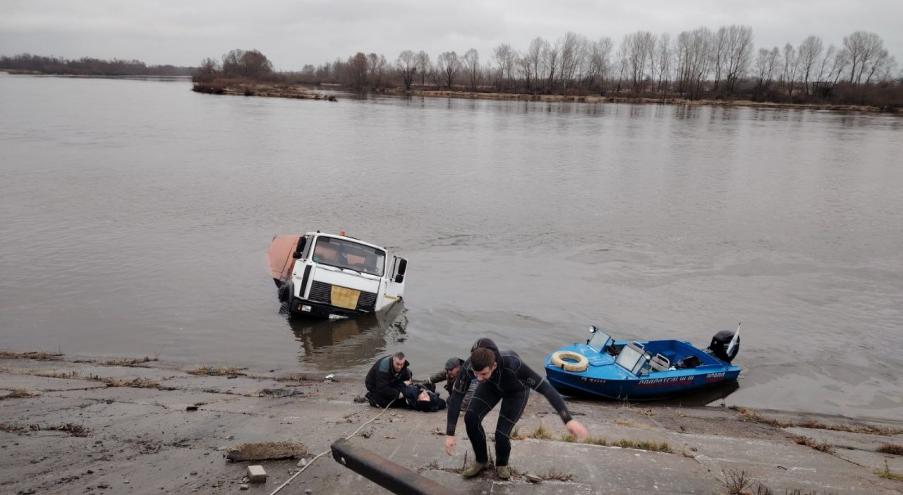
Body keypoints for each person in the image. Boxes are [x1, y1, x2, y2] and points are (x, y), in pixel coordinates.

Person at [443, 338, 588, 480]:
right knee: (471, 418)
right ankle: (481, 461)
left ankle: (502, 464)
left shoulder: (513, 364)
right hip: (491, 387)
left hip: (515, 393)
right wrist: (450, 433)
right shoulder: (470, 366)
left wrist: (568, 420)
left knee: (501, 435)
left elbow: (546, 389)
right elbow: (456, 397)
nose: (478, 378)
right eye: (476, 374)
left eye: (483, 374)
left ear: (493, 366)